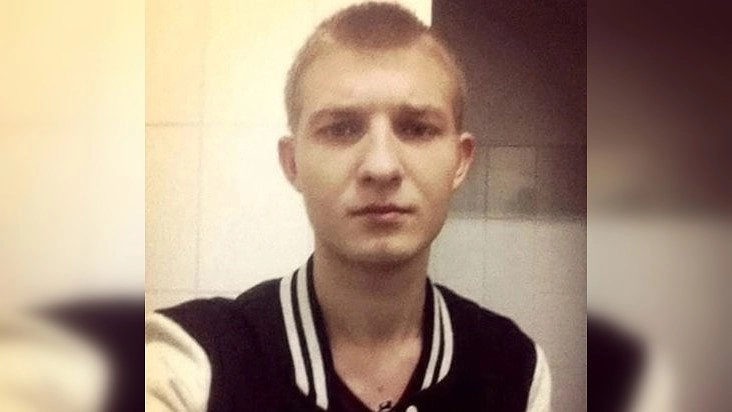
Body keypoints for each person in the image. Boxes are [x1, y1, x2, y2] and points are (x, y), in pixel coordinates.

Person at [146, 2, 551, 411]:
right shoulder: (188, 362)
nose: (381, 166)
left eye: (417, 128)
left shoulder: (516, 370)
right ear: (292, 163)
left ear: (460, 162)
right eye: (340, 129)